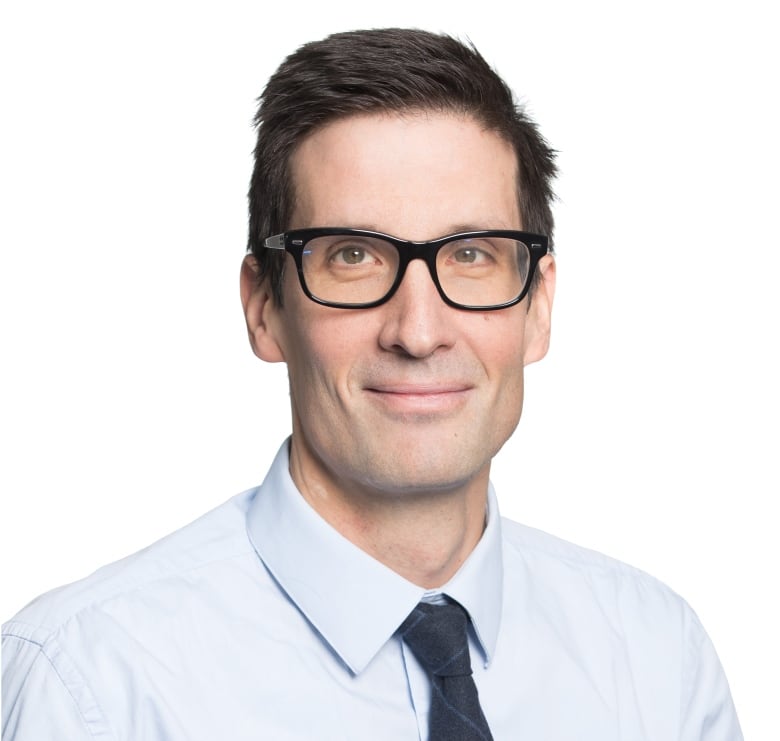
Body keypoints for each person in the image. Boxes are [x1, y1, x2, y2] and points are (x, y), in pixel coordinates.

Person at [1, 28, 741, 741]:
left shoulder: (656, 659)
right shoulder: (92, 684)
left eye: (473, 255)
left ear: (538, 307)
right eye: (352, 255)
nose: (418, 331)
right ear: (264, 307)